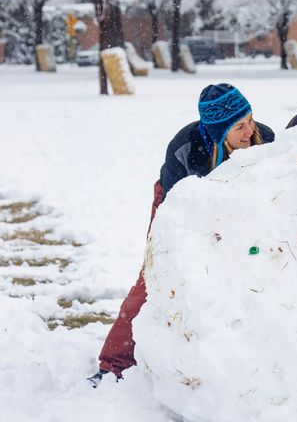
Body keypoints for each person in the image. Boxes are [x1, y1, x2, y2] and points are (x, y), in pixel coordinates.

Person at [88, 84, 275, 387]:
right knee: (157, 278)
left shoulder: (265, 140)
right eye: (239, 126)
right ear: (218, 130)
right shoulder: (186, 148)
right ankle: (114, 364)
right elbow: (179, 216)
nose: (249, 131)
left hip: (241, 212)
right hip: (177, 206)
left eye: (250, 120)